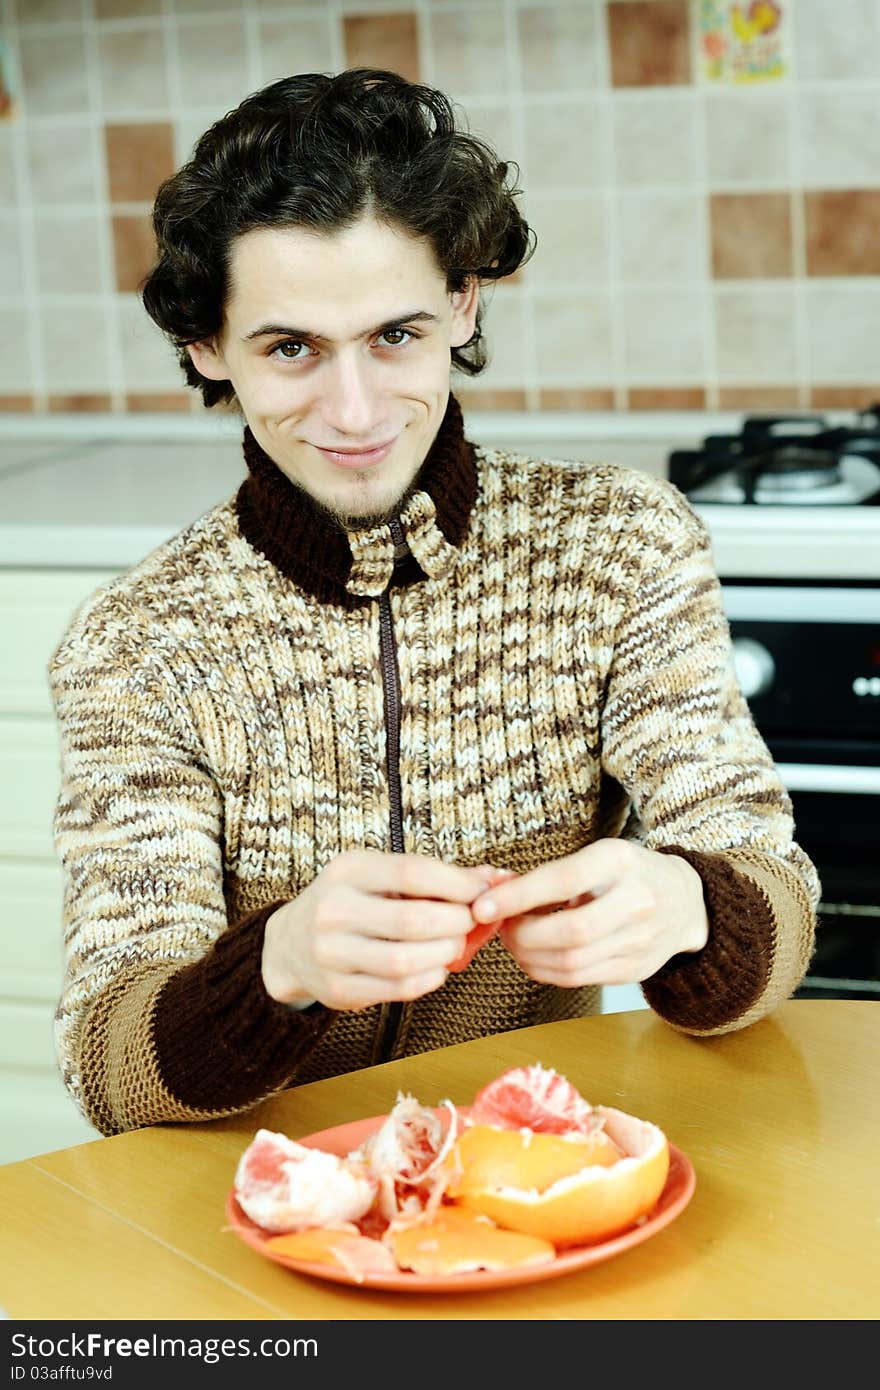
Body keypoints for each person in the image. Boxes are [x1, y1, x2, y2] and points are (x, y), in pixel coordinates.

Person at [49, 68, 819, 1138]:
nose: (355, 408)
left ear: (462, 302)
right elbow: (110, 1062)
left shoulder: (617, 546)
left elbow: (766, 878)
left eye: (395, 336)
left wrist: (692, 910)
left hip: (534, 1174)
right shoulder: (138, 644)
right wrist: (276, 966)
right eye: (290, 348)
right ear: (208, 346)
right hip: (259, 1211)